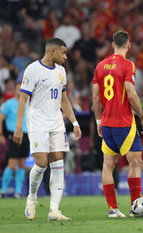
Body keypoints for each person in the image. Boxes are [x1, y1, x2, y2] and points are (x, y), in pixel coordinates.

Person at [13, 38, 82, 221]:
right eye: (63, 52)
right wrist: (19, 126)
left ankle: (54, 210)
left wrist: (75, 123)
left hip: (56, 122)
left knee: (58, 163)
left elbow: (64, 100)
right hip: (38, 122)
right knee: (41, 163)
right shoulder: (32, 70)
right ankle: (32, 197)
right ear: (52, 52)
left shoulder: (61, 71)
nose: (66, 57)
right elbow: (22, 100)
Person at [92, 31, 143, 218]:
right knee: (136, 163)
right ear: (129, 45)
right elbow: (131, 94)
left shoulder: (100, 66)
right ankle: (137, 208)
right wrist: (141, 116)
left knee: (108, 165)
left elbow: (95, 96)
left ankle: (113, 209)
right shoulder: (127, 65)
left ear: (112, 44)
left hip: (107, 122)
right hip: (124, 122)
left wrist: (99, 120)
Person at [0, 81, 29, 198]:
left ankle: (17, 191)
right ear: (15, 90)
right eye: (18, 88)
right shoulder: (8, 104)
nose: (20, 90)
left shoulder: (28, 103)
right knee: (12, 163)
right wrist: (1, 134)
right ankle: (2, 190)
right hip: (14, 135)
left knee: (22, 164)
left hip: (27, 135)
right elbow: (0, 118)